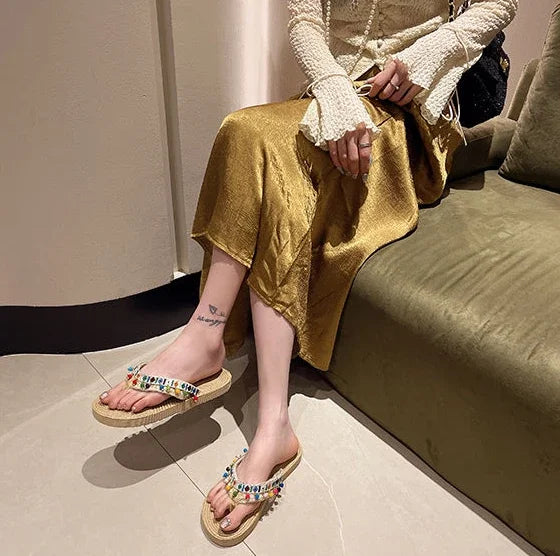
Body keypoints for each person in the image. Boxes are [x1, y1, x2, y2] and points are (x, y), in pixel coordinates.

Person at [94, 0, 518, 545]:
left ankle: (234, 371)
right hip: (330, 101)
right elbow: (304, 19)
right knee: (248, 135)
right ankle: (240, 377)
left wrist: (429, 53)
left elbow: (500, 3)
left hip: (407, 114)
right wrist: (334, 87)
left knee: (273, 151)